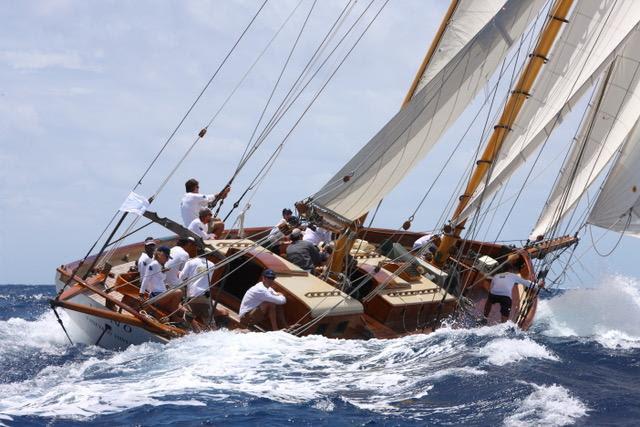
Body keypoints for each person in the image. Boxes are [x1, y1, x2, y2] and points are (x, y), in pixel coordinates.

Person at [179, 252, 218, 325]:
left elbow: (182, 277)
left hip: (193, 296)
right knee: (210, 324)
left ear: (197, 251)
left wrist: (179, 273)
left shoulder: (190, 262)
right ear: (208, 255)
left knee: (186, 320)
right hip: (205, 297)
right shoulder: (212, 265)